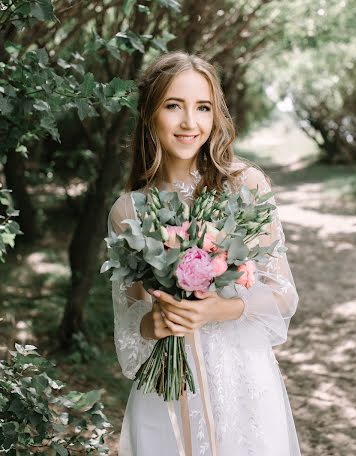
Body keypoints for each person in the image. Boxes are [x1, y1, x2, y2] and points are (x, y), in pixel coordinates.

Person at [108, 51, 301, 455]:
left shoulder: (246, 186)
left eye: (203, 108)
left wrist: (216, 309)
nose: (189, 123)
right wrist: (153, 324)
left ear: (216, 116)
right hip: (166, 388)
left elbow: (283, 293)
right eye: (173, 106)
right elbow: (128, 333)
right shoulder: (128, 211)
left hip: (243, 382)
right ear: (149, 113)